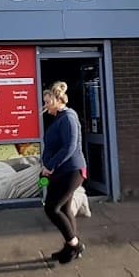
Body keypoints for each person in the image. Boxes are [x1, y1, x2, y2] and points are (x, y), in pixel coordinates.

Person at [40, 81, 87, 264]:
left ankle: (74, 244)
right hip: (61, 171)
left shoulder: (68, 117)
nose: (45, 106)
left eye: (47, 102)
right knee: (65, 208)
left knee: (52, 208)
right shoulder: (59, 118)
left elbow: (70, 147)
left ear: (56, 100)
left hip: (72, 171)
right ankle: (70, 248)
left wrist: (50, 166)